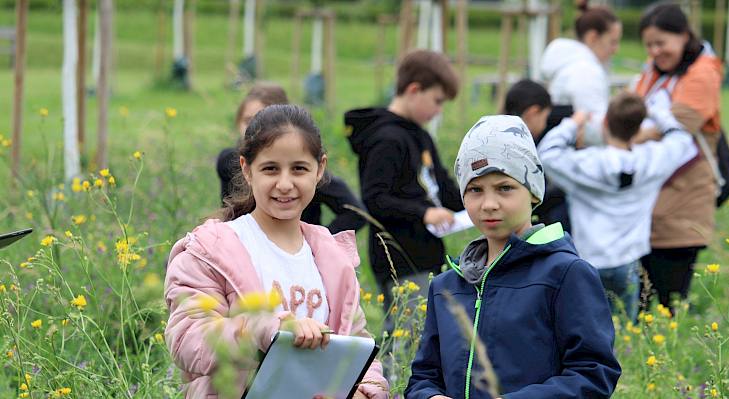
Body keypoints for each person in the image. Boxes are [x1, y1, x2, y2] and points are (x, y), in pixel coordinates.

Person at [166, 105, 388, 398]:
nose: (285, 184)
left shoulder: (331, 256)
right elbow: (187, 340)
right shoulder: (212, 249)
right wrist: (264, 329)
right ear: (246, 169)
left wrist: (366, 390)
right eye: (270, 169)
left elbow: (355, 342)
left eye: (299, 168)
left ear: (320, 169)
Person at [406, 115, 621, 399]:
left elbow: (593, 374)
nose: (489, 204)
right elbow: (424, 376)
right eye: (475, 190)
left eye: (505, 188)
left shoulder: (566, 273)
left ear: (533, 191)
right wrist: (429, 397)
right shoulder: (447, 285)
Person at [538, 91, 698, 320]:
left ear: (604, 123)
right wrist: (655, 111)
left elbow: (547, 153)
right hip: (628, 260)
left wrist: (575, 120)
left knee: (589, 329)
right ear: (639, 127)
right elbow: (681, 138)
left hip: (589, 259)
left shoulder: (587, 162)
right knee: (624, 332)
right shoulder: (652, 160)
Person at [345, 49, 463, 301]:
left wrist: (478, 198)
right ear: (413, 90)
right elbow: (374, 199)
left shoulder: (420, 136)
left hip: (428, 257)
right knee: (408, 337)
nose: (439, 110)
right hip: (400, 261)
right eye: (437, 100)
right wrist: (425, 213)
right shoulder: (385, 139)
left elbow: (442, 186)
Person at [633, 2, 722, 311]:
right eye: (649, 45)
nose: (655, 51)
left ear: (684, 35)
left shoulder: (703, 72)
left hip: (683, 203)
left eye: (661, 43)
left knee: (669, 299)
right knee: (644, 298)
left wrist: (628, 134)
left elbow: (681, 121)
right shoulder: (654, 70)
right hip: (652, 202)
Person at [217, 82, 366, 234]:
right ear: (246, 169)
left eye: (267, 121)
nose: (255, 129)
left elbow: (356, 213)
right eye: (249, 121)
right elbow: (230, 212)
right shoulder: (229, 162)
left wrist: (317, 243)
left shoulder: (308, 173)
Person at [539, 0, 622, 146]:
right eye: (613, 42)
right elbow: (597, 130)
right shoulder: (586, 72)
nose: (616, 50)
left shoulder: (570, 64)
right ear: (592, 37)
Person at [503, 79, 570, 232]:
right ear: (533, 113)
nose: (545, 124)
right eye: (545, 117)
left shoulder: (503, 138)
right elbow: (535, 198)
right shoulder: (518, 150)